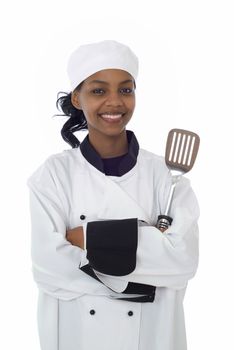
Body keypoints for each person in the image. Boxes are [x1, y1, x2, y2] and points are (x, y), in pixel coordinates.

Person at [27, 40, 199, 350]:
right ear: (77, 98)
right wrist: (147, 253)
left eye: (125, 89)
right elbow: (48, 267)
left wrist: (87, 238)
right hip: (77, 338)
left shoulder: (167, 177)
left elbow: (183, 262)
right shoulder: (52, 176)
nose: (114, 102)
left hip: (153, 338)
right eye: (98, 90)